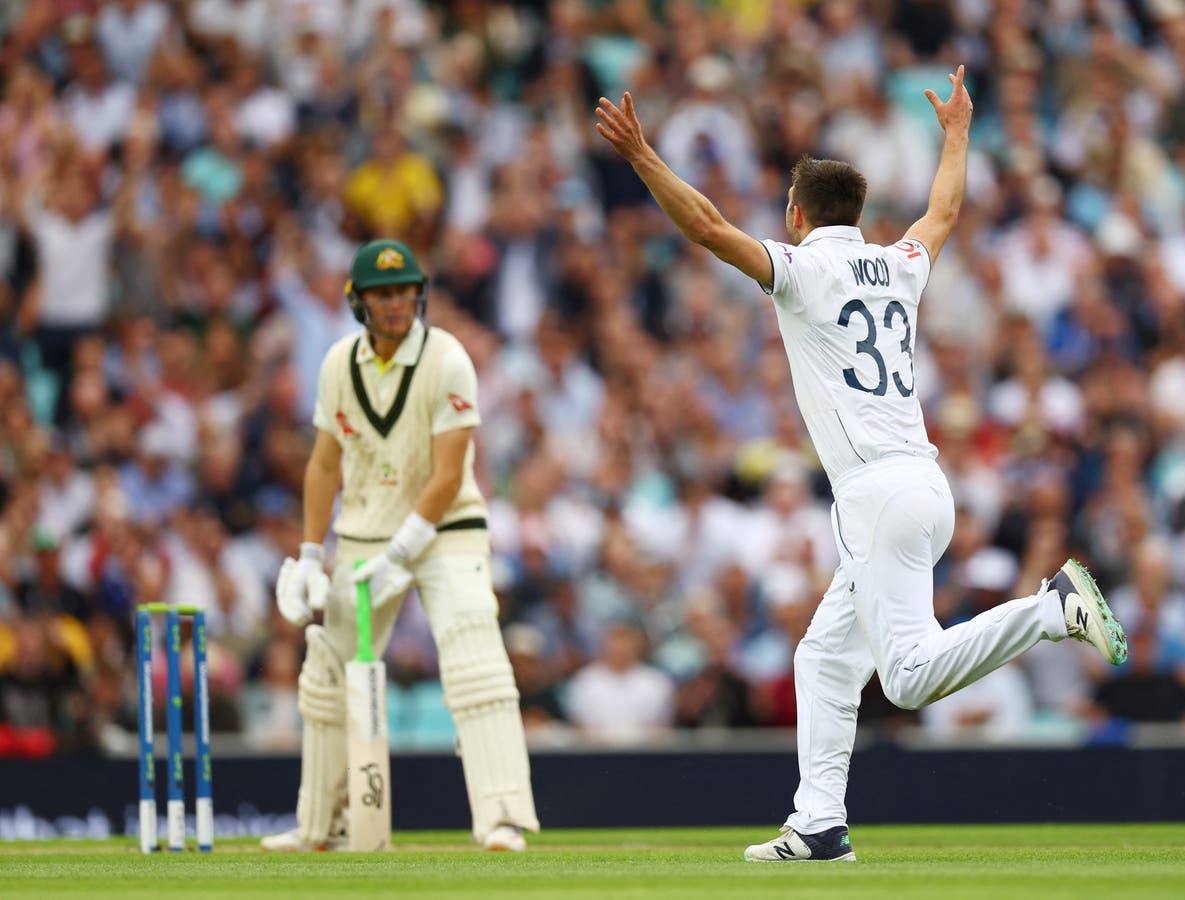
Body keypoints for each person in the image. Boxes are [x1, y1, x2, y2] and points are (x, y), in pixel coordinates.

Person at [594, 65, 1128, 863]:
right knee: (823, 658)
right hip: (920, 484)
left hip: (876, 494)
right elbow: (944, 208)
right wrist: (956, 134)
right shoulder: (899, 263)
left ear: (797, 213)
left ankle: (1049, 610)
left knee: (907, 678)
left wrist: (642, 157)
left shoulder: (803, 270)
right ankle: (818, 824)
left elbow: (705, 226)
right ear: (859, 213)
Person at [262, 239, 539, 852]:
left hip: (446, 531)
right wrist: (310, 555)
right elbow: (324, 464)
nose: (396, 303)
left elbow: (449, 472)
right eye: (383, 294)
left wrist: (401, 553)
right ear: (358, 302)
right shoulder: (337, 364)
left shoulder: (447, 359)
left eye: (405, 290)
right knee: (327, 669)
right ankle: (321, 825)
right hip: (364, 532)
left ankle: (500, 818)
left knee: (475, 654)